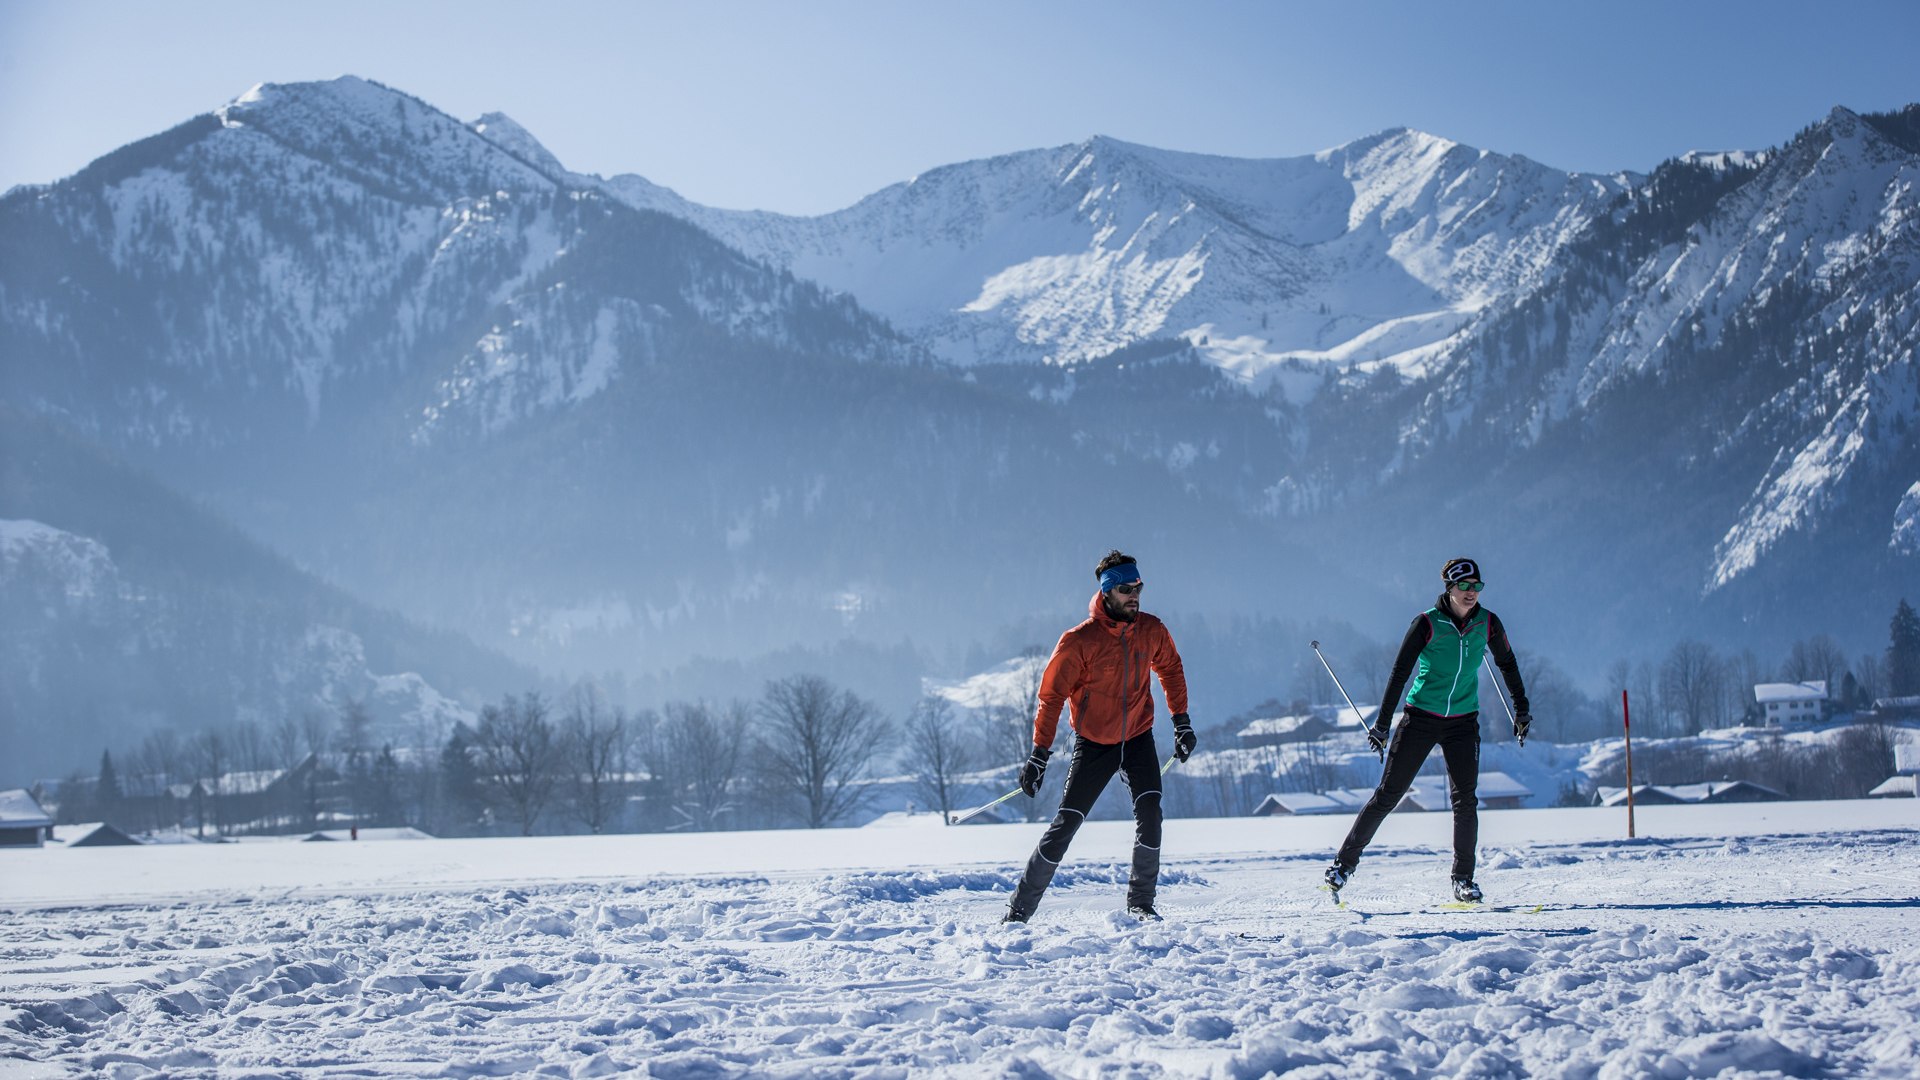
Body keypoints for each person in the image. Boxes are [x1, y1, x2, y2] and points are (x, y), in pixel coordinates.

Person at [1003, 550, 1195, 924]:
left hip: (1138, 737)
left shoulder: (1151, 629)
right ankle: (1018, 911)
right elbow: (1051, 696)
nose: (1134, 595)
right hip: (1094, 744)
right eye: (1125, 589)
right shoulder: (1079, 641)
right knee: (1066, 824)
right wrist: (1039, 754)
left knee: (1151, 814)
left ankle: (1141, 903)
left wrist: (1182, 722)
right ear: (1107, 593)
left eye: (1138, 587)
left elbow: (1170, 668)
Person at [1324, 557, 1531, 903]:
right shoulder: (1426, 624)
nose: (1471, 594)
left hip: (1463, 722)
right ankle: (1343, 866)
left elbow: (1507, 663)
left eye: (1476, 587)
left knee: (1465, 801)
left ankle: (1463, 880)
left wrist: (1521, 709)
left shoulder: (1489, 623)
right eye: (1464, 587)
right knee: (1388, 795)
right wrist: (1382, 725)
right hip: (1420, 718)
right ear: (1449, 589)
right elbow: (1399, 673)